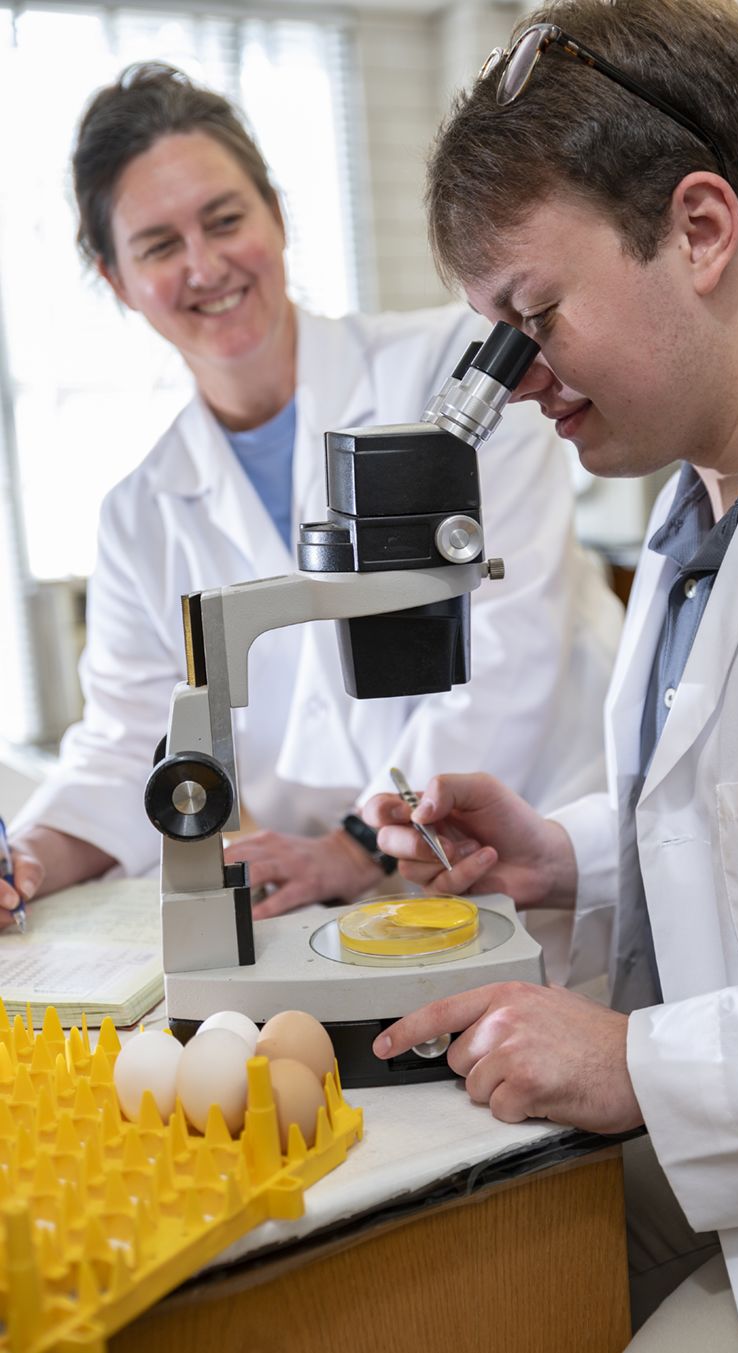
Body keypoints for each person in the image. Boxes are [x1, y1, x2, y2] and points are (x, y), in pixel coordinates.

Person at [361, 2, 738, 1350]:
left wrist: (632, 1061)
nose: (517, 378)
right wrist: (572, 857)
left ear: (702, 229)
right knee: (418, 1275)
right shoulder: (700, 504)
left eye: (534, 314)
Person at [1, 63, 621, 933]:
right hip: (327, 916)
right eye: (159, 245)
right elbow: (128, 741)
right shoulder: (140, 512)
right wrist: (24, 858)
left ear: (277, 215)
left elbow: (516, 644)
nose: (206, 265)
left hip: (547, 866)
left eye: (225, 221)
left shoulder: (462, 373)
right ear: (116, 280)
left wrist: (356, 843)